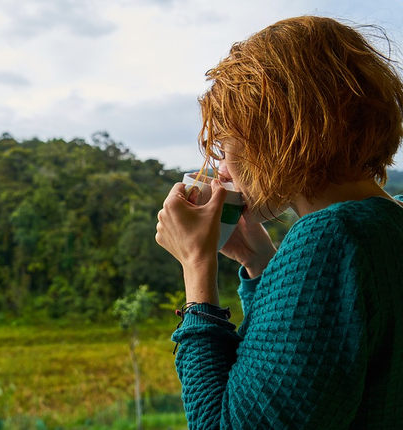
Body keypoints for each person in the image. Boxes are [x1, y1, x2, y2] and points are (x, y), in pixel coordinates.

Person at [155, 15, 403, 429]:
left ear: (275, 133)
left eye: (225, 142)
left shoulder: (330, 238)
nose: (220, 166)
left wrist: (197, 267)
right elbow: (314, 366)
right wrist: (261, 263)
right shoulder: (387, 221)